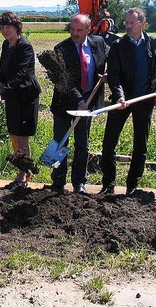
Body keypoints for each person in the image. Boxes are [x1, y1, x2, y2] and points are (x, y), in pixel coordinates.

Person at [99, 7, 156, 196]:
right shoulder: (118, 46)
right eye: (126, 23)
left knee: (140, 145)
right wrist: (120, 95)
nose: (128, 26)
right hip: (122, 100)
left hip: (145, 100)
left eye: (132, 23)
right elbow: (113, 75)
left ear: (143, 23)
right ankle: (108, 185)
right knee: (109, 143)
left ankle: (132, 186)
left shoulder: (154, 43)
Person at [47, 14, 107, 195]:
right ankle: (58, 182)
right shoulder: (61, 49)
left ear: (88, 30)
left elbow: (111, 59)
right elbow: (63, 81)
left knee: (82, 143)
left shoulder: (98, 43)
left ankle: (79, 182)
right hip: (65, 103)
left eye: (79, 30)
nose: (75, 33)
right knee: (60, 142)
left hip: (88, 105)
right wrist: (79, 100)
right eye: (72, 30)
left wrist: (109, 73)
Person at [0, 11, 41, 190]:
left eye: (8, 27)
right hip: (13, 95)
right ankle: (23, 171)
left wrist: (3, 92)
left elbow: (21, 75)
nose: (5, 31)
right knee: (14, 135)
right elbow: (3, 68)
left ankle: (23, 176)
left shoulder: (25, 47)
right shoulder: (7, 45)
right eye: (2, 27)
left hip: (26, 96)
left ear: (16, 27)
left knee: (22, 138)